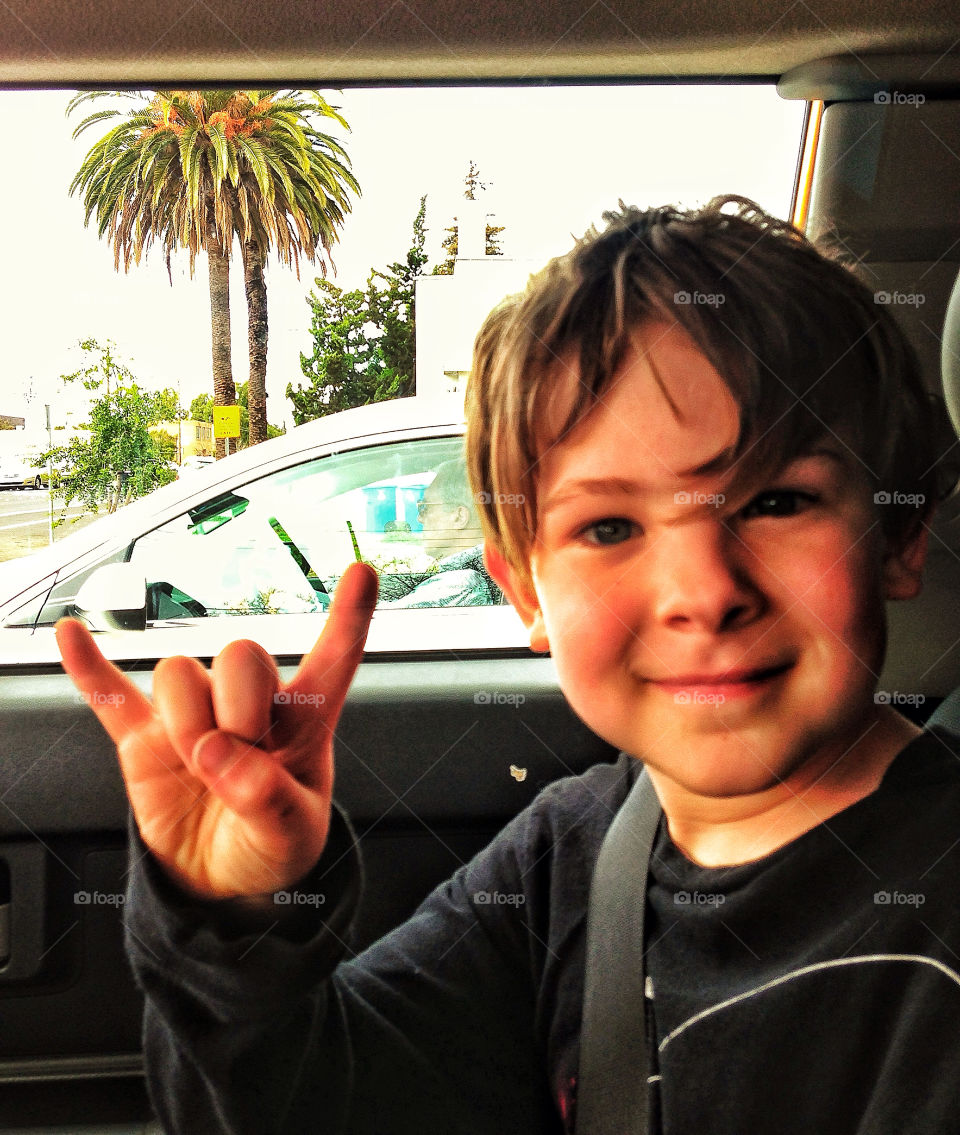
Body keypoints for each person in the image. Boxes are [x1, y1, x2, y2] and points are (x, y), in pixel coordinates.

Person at [55, 195, 958, 1134]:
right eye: (609, 527)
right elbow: (315, 1102)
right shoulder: (573, 856)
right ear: (524, 592)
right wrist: (231, 922)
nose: (703, 589)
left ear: (898, 533)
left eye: (776, 501)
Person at [379, 457, 502, 607]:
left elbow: (374, 618)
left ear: (459, 516)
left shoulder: (460, 584)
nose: (419, 518)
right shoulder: (471, 572)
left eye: (425, 508)